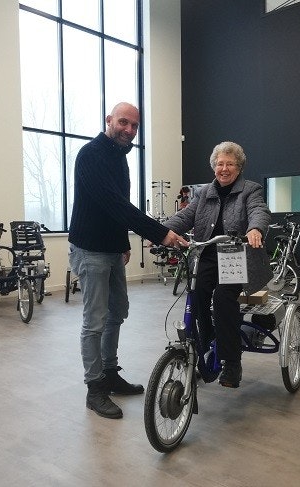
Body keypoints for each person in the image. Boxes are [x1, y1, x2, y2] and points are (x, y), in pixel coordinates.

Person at [68, 102, 188, 420]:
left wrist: (123, 242)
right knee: (94, 321)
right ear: (109, 121)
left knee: (117, 311)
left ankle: (109, 372)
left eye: (135, 126)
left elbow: (121, 206)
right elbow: (111, 203)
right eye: (124, 122)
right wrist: (160, 233)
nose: (129, 130)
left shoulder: (120, 159)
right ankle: (95, 388)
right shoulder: (91, 155)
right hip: (90, 250)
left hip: (111, 250)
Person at [163, 141, 271, 388]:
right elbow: (185, 217)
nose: (224, 168)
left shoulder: (250, 190)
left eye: (230, 164)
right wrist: (161, 231)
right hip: (206, 255)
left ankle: (232, 361)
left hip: (235, 256)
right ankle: (207, 341)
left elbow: (259, 211)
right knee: (197, 294)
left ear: (239, 167)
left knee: (223, 299)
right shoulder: (203, 193)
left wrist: (255, 229)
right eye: (220, 164)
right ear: (214, 167)